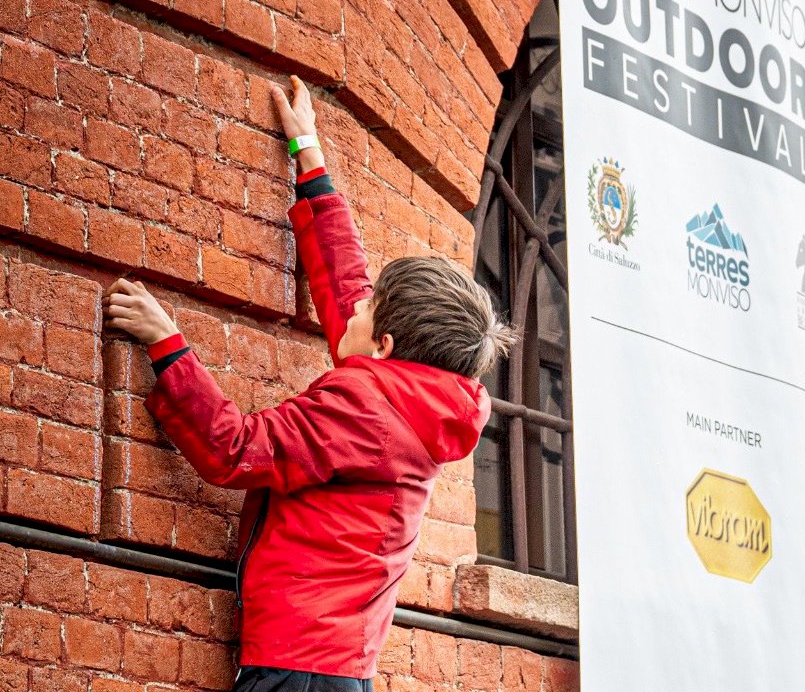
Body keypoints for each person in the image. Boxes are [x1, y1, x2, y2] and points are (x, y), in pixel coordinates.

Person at [104, 76, 513, 692]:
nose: (358, 305)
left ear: (384, 346)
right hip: (333, 666)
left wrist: (167, 343)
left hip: (295, 672)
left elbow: (237, 449)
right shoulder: (416, 401)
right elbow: (348, 288)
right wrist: (308, 155)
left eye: (370, 310)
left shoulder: (364, 408)